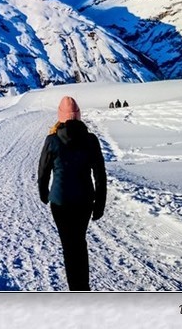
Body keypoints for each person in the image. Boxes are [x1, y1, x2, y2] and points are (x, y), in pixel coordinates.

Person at [37, 95, 107, 290]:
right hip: (84, 201)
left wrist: (44, 193)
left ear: (61, 117)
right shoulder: (91, 140)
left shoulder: (52, 140)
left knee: (69, 245)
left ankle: (76, 290)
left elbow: (43, 171)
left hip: (60, 202)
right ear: (78, 116)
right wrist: (99, 203)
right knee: (79, 242)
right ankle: (83, 287)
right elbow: (100, 174)